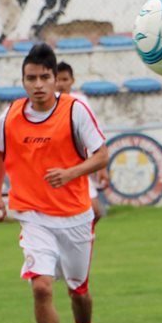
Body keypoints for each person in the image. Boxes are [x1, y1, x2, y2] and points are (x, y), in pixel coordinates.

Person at [0, 43, 107, 323]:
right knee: (41, 287)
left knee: (78, 292)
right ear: (23, 81)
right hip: (33, 215)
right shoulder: (9, 115)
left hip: (74, 217)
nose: (38, 84)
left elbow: (101, 155)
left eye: (44, 77)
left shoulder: (75, 111)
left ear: (57, 80)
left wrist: (71, 173)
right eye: (31, 78)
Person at [55, 61, 109, 222]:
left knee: (95, 211)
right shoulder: (48, 104)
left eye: (65, 79)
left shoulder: (80, 102)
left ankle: (79, 242)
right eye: (57, 80)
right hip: (56, 166)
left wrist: (102, 169)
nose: (61, 84)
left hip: (79, 168)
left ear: (72, 80)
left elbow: (94, 135)